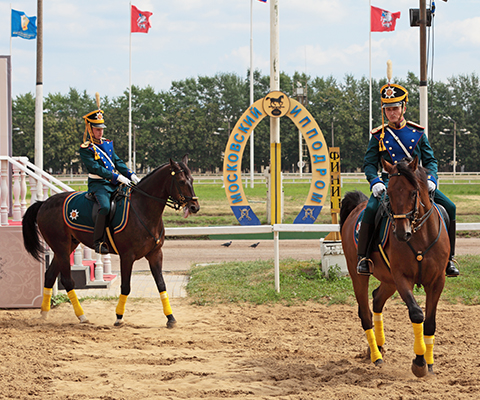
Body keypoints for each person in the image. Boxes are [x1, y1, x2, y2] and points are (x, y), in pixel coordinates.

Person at [356, 82, 460, 277]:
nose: (391, 113)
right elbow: (369, 164)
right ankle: (364, 258)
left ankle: (450, 259)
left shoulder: (417, 133)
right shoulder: (378, 136)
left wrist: (431, 179)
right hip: (390, 183)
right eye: (387, 109)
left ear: (403, 108)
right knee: (370, 209)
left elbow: (430, 160)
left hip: (417, 183)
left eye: (395, 108)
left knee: (451, 207)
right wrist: (375, 181)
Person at [79, 106, 140, 254]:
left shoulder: (107, 143)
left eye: (102, 129)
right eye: (97, 129)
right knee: (105, 207)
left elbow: (117, 162)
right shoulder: (86, 148)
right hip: (98, 184)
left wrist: (130, 174)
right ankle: (98, 241)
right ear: (90, 129)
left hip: (113, 182)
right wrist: (116, 176)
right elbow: (96, 168)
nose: (100, 132)